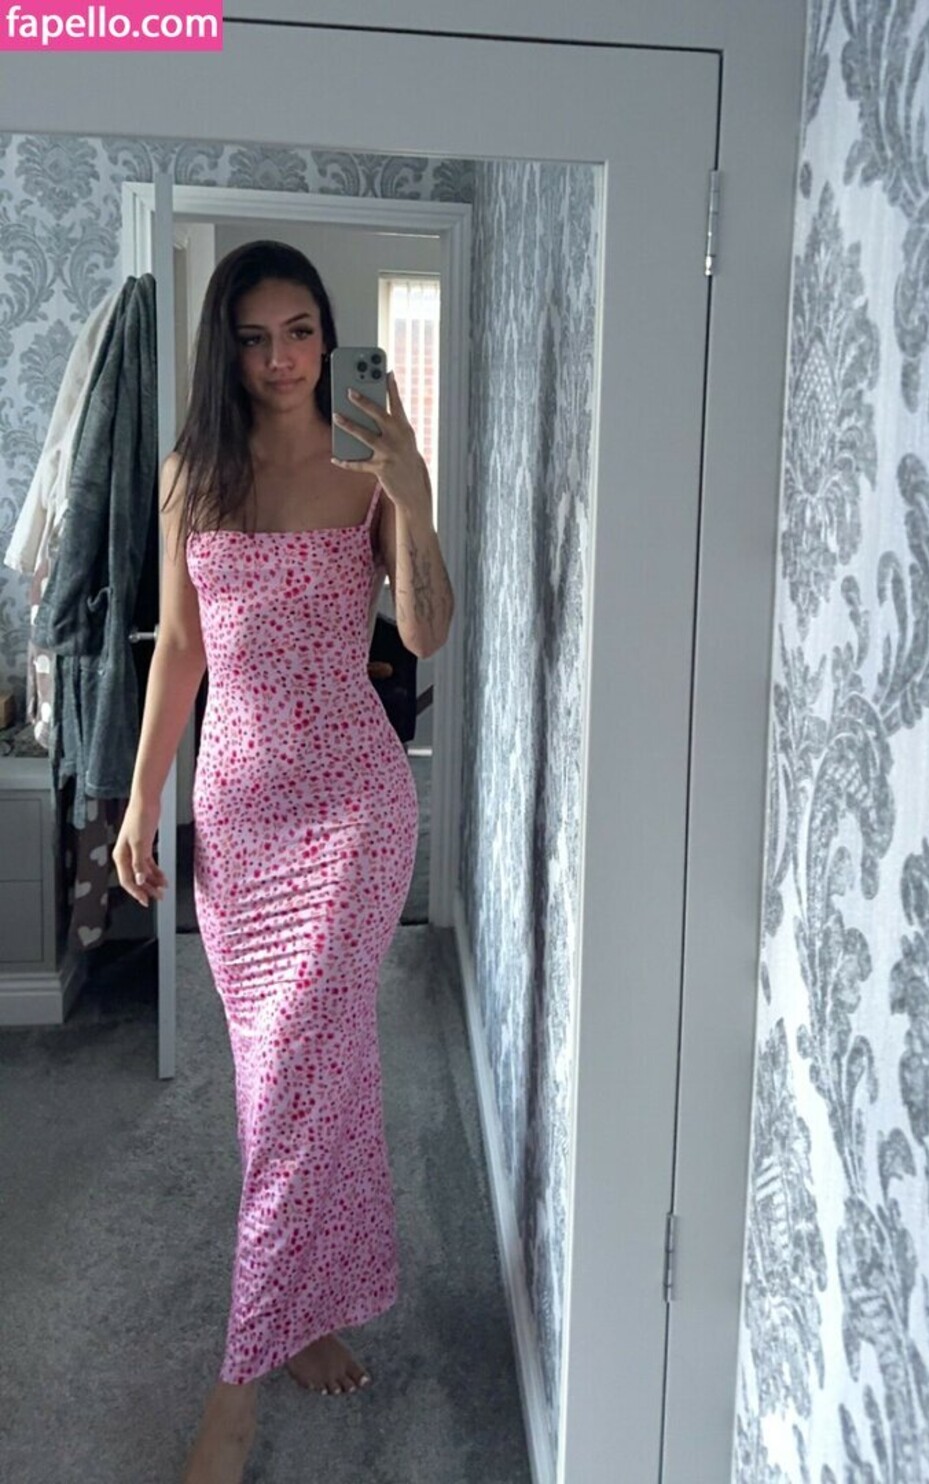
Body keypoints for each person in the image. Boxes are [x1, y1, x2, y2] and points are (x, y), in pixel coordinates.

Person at [112, 239, 454, 1484]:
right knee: (283, 1080)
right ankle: (311, 1304)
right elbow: (179, 651)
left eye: (300, 330)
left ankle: (237, 1385)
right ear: (228, 347)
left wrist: (414, 499)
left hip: (354, 808)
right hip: (240, 819)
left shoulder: (370, 467)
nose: (280, 358)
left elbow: (424, 631)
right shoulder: (191, 476)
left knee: (302, 1052)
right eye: (254, 337)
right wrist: (141, 798)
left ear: (329, 332)